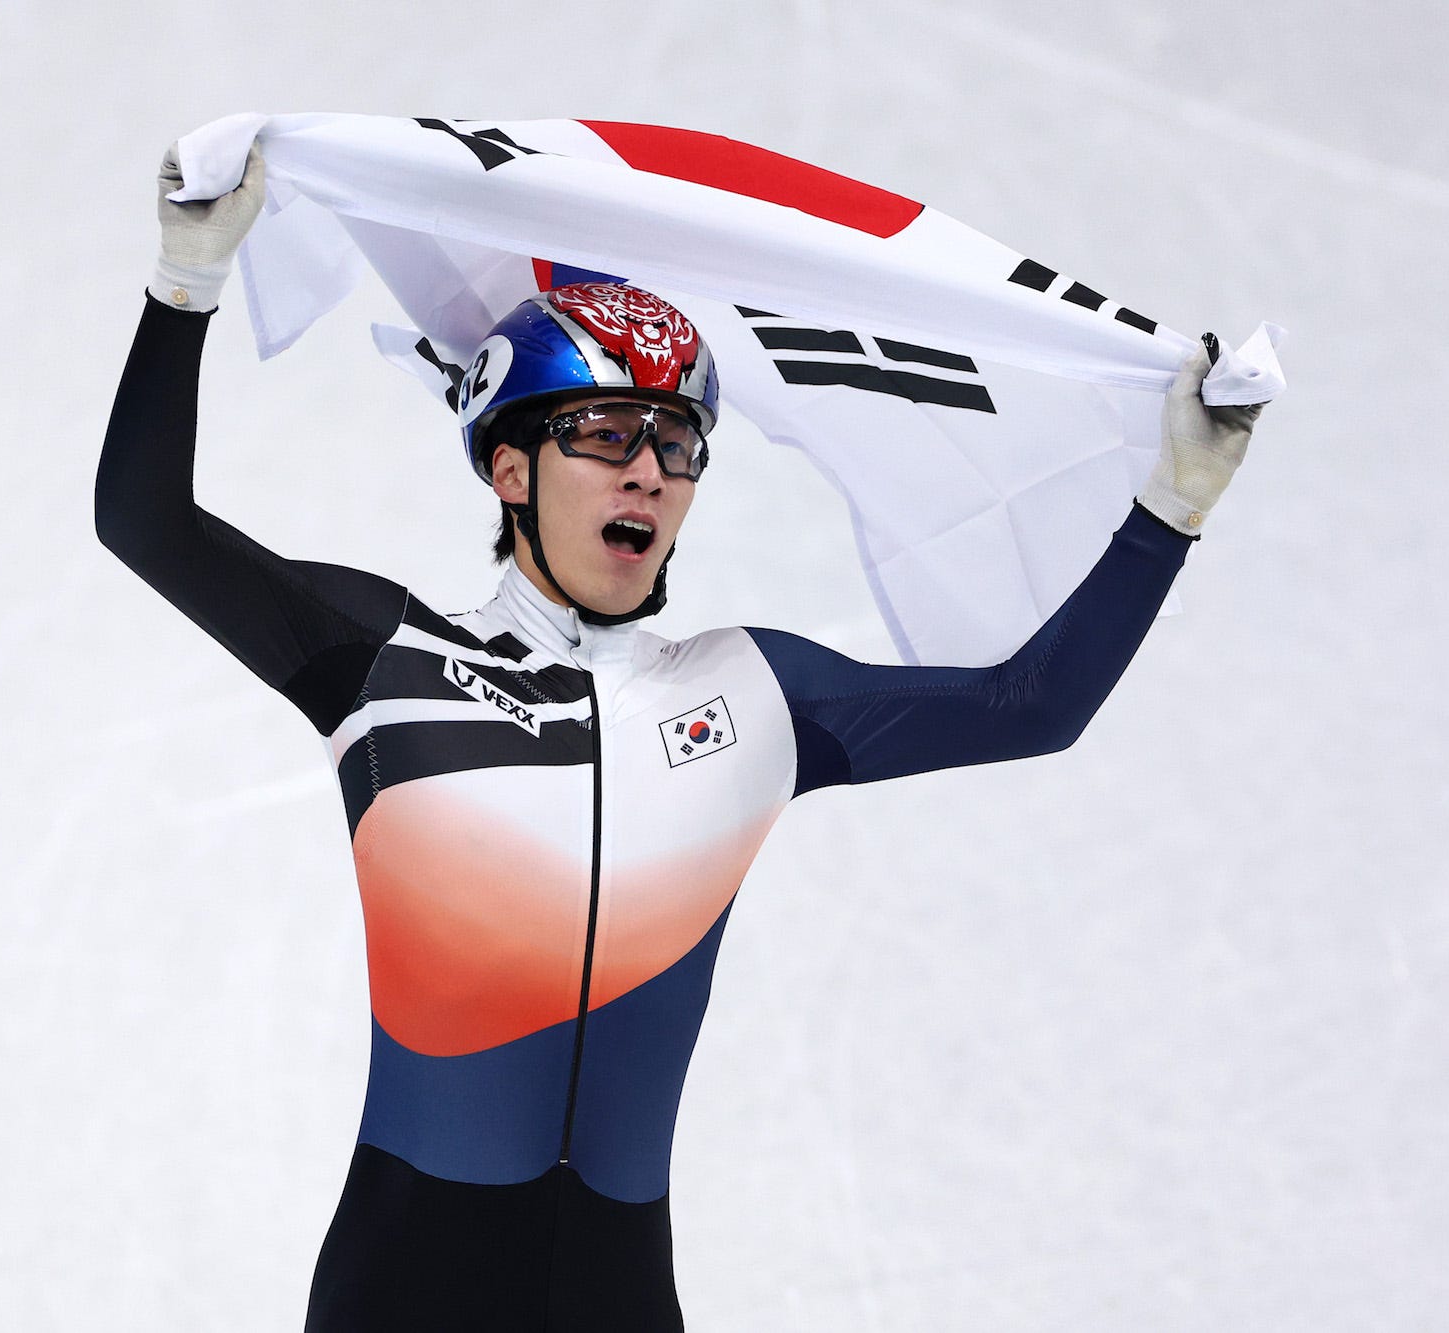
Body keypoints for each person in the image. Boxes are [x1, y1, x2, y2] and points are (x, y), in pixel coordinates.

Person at [96, 142, 1259, 1332]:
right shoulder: (380, 658)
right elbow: (142, 521)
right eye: (603, 432)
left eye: (675, 442)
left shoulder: (755, 694)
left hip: (614, 1287)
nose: (647, 471)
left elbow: (1034, 707)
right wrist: (186, 280)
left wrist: (1172, 507)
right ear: (508, 464)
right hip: (405, 1283)